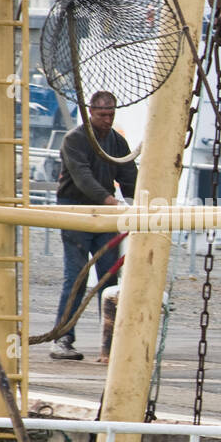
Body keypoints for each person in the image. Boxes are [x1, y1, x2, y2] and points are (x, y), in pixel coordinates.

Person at [50, 91, 137, 360]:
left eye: (111, 114)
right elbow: (82, 178)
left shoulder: (117, 142)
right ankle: (62, 339)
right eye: (102, 115)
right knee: (76, 276)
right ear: (90, 113)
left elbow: (129, 174)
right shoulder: (74, 140)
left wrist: (139, 204)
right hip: (75, 210)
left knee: (110, 279)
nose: (107, 120)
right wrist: (112, 201)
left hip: (104, 213)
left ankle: (110, 343)